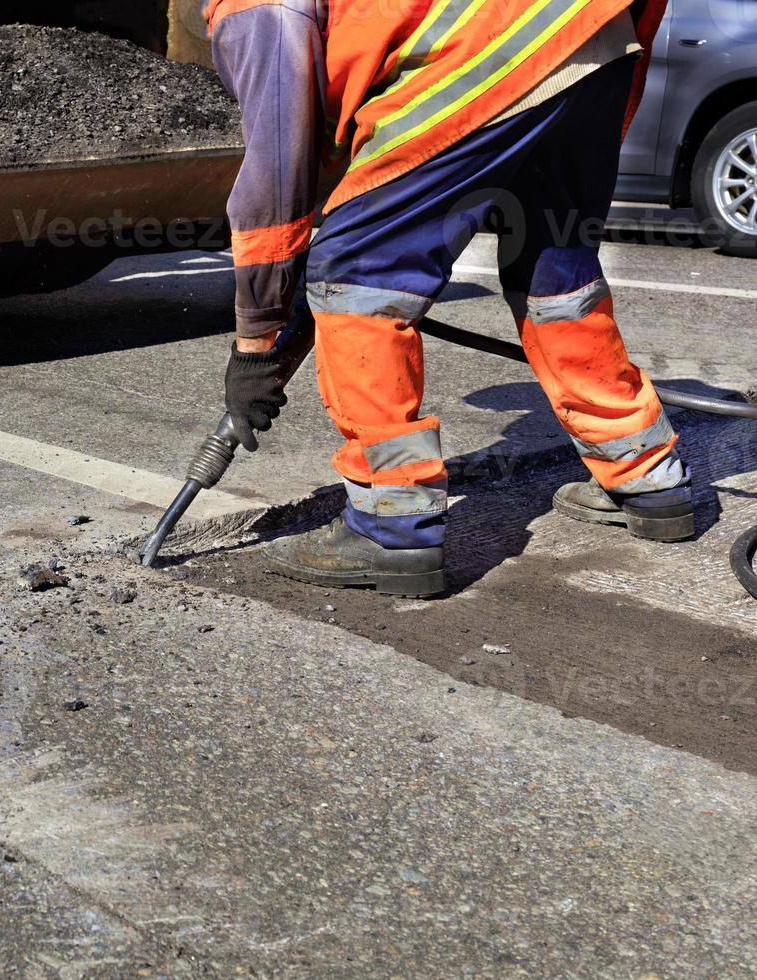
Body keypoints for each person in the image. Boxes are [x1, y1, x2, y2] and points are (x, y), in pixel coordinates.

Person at [208, 0, 694, 598]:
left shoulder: (252, 7)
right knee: (553, 269)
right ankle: (648, 476)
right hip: (593, 33)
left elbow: (279, 170)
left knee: (358, 267)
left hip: (487, 45)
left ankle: (392, 524)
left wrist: (256, 341)